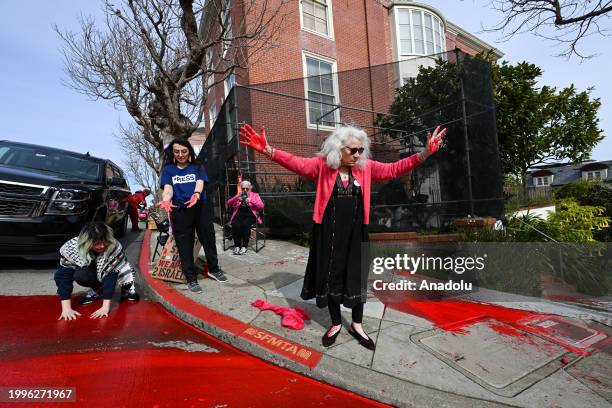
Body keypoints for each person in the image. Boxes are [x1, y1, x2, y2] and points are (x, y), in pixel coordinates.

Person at [240, 123, 445, 350]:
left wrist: (424, 153)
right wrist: (268, 150)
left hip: (356, 233)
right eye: (352, 150)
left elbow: (395, 169)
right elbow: (296, 163)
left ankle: (357, 325)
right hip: (329, 232)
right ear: (338, 149)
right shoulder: (322, 166)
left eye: (360, 150)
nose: (358, 154)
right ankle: (336, 323)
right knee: (332, 276)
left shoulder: (365, 168)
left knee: (356, 277)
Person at [157, 139, 227, 294]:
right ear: (173, 153)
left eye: (184, 151)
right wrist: (166, 200)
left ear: (189, 152)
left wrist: (196, 194)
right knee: (184, 243)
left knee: (208, 237)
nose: (180, 154)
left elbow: (200, 183)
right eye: (177, 152)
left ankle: (214, 269)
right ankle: (191, 278)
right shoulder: (168, 170)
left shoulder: (198, 166)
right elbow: (168, 189)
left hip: (200, 206)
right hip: (181, 210)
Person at [53, 221, 140, 320]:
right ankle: (98, 289)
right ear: (86, 243)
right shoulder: (71, 249)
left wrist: (105, 307)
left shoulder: (114, 247)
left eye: (104, 242)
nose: (102, 246)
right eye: (97, 244)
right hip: (95, 270)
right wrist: (66, 309)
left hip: (118, 269)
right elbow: (63, 277)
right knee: (81, 275)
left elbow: (110, 275)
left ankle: (127, 288)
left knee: (122, 268)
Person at [227, 180, 264, 255]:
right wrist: (236, 197)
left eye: (247, 189)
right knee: (235, 224)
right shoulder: (239, 194)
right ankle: (237, 246)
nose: (245, 190)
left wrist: (250, 200)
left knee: (245, 225)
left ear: (250, 188)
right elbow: (229, 203)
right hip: (239, 213)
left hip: (250, 214)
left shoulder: (255, 195)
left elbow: (261, 206)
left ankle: (244, 246)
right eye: (243, 188)